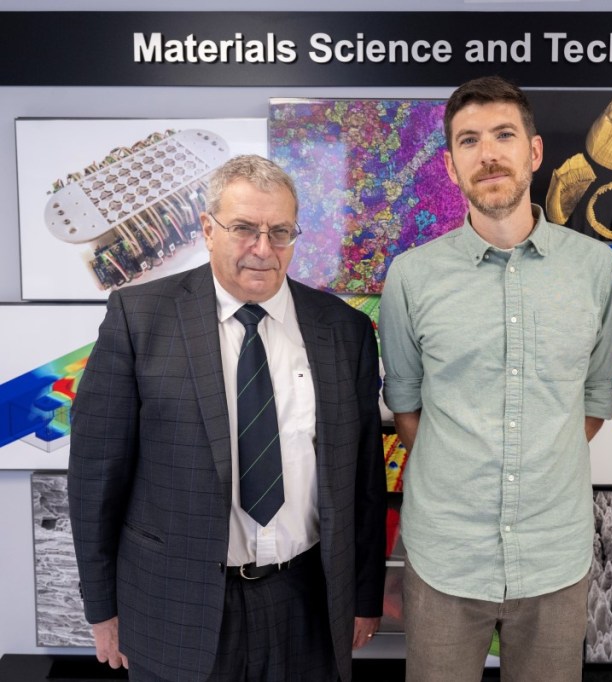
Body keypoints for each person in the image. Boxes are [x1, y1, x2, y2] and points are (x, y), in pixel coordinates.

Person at [68, 154, 386, 682]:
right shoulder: (138, 318)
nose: (263, 249)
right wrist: (102, 607)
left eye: (280, 231)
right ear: (208, 229)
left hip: (305, 606)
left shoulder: (343, 330)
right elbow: (96, 476)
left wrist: (364, 594)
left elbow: (364, 484)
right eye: (244, 229)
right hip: (175, 606)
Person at [378, 76, 612, 681]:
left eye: (503, 136)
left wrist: (539, 456)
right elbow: (407, 407)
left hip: (553, 557)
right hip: (446, 557)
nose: (488, 154)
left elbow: (591, 401)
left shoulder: (596, 267)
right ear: (451, 165)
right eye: (468, 141)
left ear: (534, 153)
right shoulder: (410, 277)